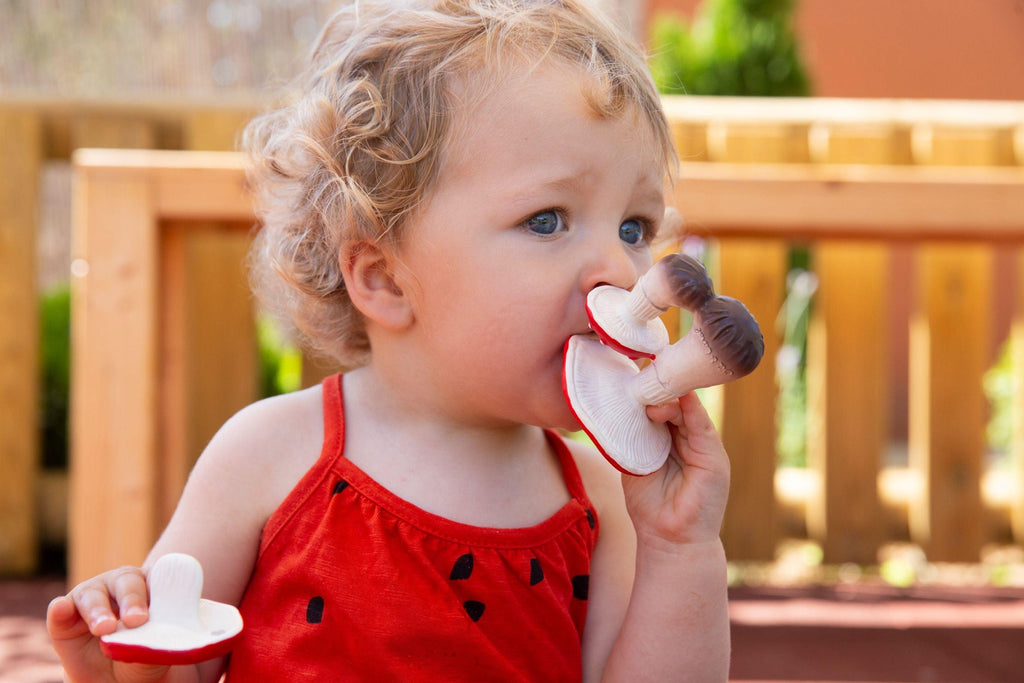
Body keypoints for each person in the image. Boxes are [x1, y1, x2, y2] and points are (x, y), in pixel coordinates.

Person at [47, 0, 732, 680]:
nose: (620, 269)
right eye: (548, 219)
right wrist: (126, 654)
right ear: (384, 279)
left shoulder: (603, 504)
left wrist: (680, 547)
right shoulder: (267, 456)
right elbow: (176, 667)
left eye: (635, 228)